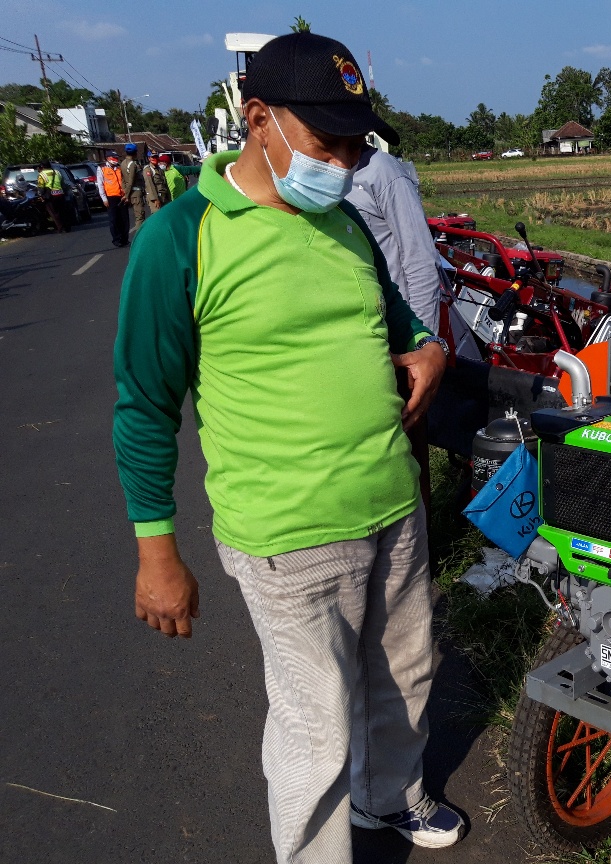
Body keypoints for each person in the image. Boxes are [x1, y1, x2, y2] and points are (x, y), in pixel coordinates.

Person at [111, 31, 459, 864]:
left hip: (392, 506)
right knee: (315, 724)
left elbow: (399, 320)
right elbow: (144, 406)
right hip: (288, 536)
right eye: (325, 142)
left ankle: (388, 796)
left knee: (406, 674)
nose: (342, 164)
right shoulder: (180, 238)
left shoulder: (346, 224)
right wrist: (157, 552)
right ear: (259, 118)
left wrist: (430, 350)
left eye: (354, 146)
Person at [347, 141, 444, 514]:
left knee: (409, 454)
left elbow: (419, 260)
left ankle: (423, 538)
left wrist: (424, 350)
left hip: (398, 336)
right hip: (356, 342)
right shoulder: (319, 175)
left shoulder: (383, 172)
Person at [98, 150, 130, 247]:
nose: (116, 160)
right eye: (114, 158)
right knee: (114, 219)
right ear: (108, 158)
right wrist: (104, 198)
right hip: (111, 197)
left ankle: (124, 239)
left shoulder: (120, 167)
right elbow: (100, 184)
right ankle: (116, 239)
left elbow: (125, 181)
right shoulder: (102, 168)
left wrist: (127, 195)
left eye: (116, 158)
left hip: (122, 197)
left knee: (124, 219)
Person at [121, 142, 147, 231]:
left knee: (138, 214)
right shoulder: (132, 164)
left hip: (131, 192)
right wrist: (126, 195)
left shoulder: (123, 163)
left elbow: (123, 180)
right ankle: (140, 234)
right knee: (140, 215)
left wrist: (125, 192)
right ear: (135, 152)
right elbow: (130, 180)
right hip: (135, 192)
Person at [36, 160, 68, 233]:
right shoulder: (57, 172)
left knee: (53, 213)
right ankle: (67, 227)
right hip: (60, 193)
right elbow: (63, 183)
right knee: (62, 211)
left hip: (50, 196)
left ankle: (60, 228)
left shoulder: (42, 174)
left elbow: (41, 187)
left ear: (42, 166)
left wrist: (41, 195)